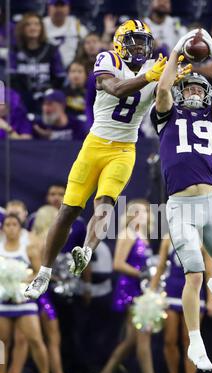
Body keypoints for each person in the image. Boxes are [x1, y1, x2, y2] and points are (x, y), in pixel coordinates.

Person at [24, 19, 171, 299]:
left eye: (144, 42)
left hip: (125, 149)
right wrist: (150, 78)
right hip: (94, 145)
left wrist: (174, 74)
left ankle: (87, 249)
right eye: (134, 41)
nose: (139, 47)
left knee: (105, 204)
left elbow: (164, 99)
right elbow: (115, 88)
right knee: (69, 209)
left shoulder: (156, 70)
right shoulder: (108, 58)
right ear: (119, 43)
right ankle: (44, 272)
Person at [151, 27, 212, 371]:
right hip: (181, 207)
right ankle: (196, 343)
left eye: (195, 87)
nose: (189, 91)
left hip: (210, 204)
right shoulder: (166, 117)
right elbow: (161, 89)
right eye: (185, 86)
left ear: (204, 94)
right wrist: (176, 52)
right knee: (194, 275)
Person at [8, 206, 85, 373]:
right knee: (44, 339)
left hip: (32, 294)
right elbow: (41, 271)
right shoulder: (43, 240)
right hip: (39, 296)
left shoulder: (30, 239)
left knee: (27, 339)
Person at [91, 199, 164, 373]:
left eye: (147, 211)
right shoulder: (127, 234)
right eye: (139, 211)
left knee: (131, 340)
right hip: (130, 291)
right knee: (142, 337)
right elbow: (118, 264)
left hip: (140, 290)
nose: (144, 215)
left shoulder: (143, 236)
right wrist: (143, 274)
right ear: (130, 215)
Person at [150, 234, 212, 373]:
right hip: (172, 292)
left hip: (195, 295)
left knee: (190, 340)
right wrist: (150, 293)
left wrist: (211, 300)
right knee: (169, 339)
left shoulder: (203, 239)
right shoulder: (168, 238)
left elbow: (209, 271)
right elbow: (160, 267)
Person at [0, 214, 58, 373]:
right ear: (3, 228)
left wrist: (22, 278)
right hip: (3, 301)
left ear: (20, 228)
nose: (11, 228)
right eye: (7, 225)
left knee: (35, 339)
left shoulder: (30, 248)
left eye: (14, 224)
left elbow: (39, 273)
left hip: (24, 301)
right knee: (2, 342)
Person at [10, 12, 66, 114]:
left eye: (36, 24)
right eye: (28, 24)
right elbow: (12, 79)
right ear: (22, 28)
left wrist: (48, 93)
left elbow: (59, 78)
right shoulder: (14, 50)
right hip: (22, 98)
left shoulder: (51, 49)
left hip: (48, 98)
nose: (33, 28)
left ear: (41, 28)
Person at [43, 0, 88, 68]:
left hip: (73, 69)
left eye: (62, 6)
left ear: (68, 8)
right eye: (56, 6)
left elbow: (88, 43)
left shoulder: (76, 25)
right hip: (47, 68)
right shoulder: (41, 25)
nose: (59, 9)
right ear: (49, 8)